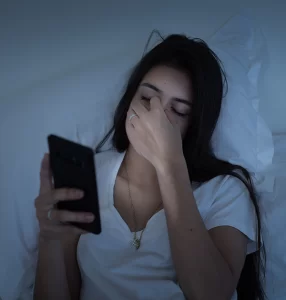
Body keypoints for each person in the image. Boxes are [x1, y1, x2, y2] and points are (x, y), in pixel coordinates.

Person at [33, 33, 266, 300]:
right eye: (146, 98)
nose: (154, 117)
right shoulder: (89, 174)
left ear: (194, 126)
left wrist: (170, 164)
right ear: (129, 99)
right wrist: (49, 239)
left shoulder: (225, 190)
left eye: (177, 111)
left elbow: (211, 294)